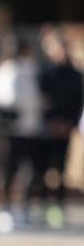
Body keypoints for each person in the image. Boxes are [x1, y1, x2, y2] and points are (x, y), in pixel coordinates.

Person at [0, 36, 42, 233]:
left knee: (29, 170)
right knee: (8, 170)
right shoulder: (6, 70)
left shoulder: (31, 71)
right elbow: (1, 99)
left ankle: (22, 209)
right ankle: (5, 209)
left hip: (30, 128)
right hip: (9, 130)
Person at [37, 31, 83, 229]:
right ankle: (41, 207)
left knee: (60, 169)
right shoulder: (45, 73)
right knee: (41, 169)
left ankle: (57, 209)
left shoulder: (75, 75)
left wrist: (69, 123)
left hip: (65, 127)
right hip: (45, 127)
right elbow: (39, 100)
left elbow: (78, 102)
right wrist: (49, 121)